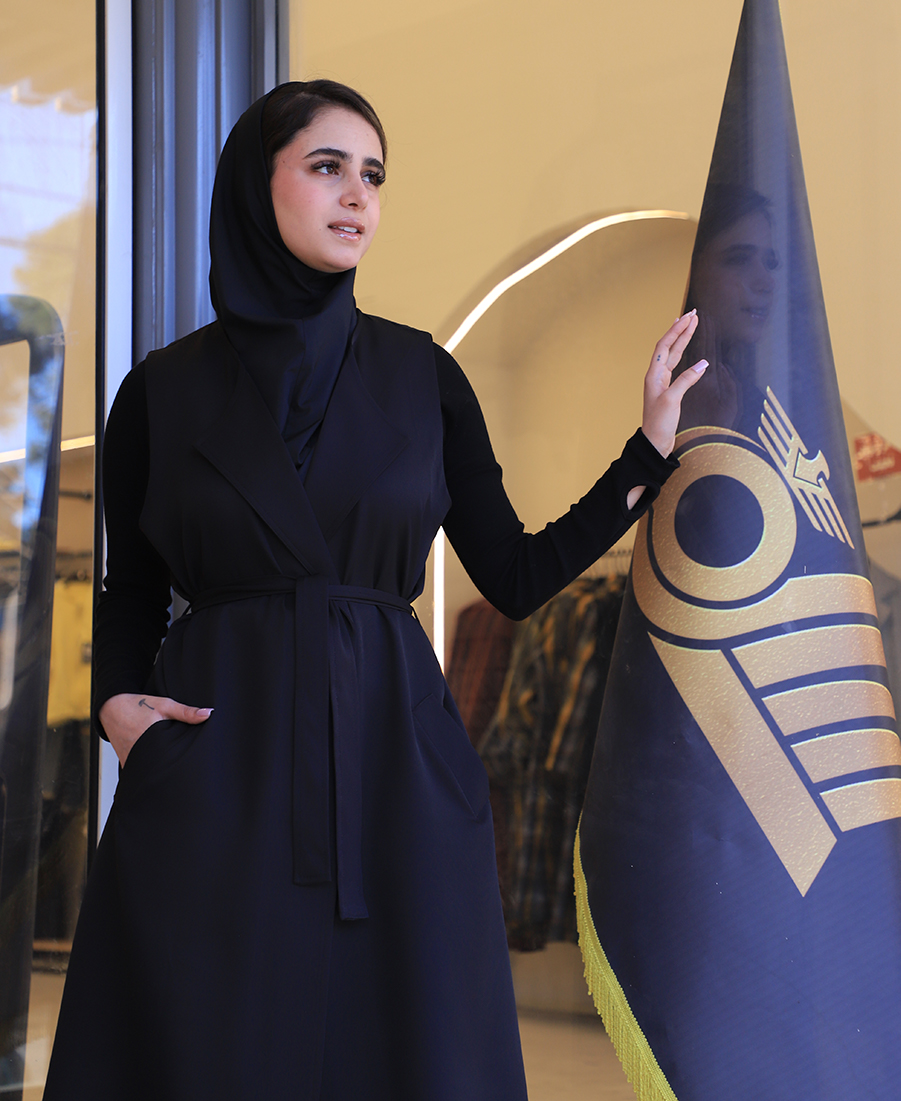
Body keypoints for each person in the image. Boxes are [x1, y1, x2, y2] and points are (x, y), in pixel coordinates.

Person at [44, 80, 706, 1100]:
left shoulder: (422, 376)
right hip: (219, 767)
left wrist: (645, 453)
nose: (358, 196)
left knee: (402, 1051)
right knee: (208, 1047)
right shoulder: (159, 393)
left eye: (374, 175)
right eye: (327, 168)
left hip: (395, 771)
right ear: (255, 184)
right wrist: (119, 712)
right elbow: (131, 590)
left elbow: (514, 575)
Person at [677, 182, 777, 432]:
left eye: (770, 263)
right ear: (692, 271)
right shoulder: (650, 383)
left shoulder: (768, 403)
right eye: (739, 260)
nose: (766, 282)